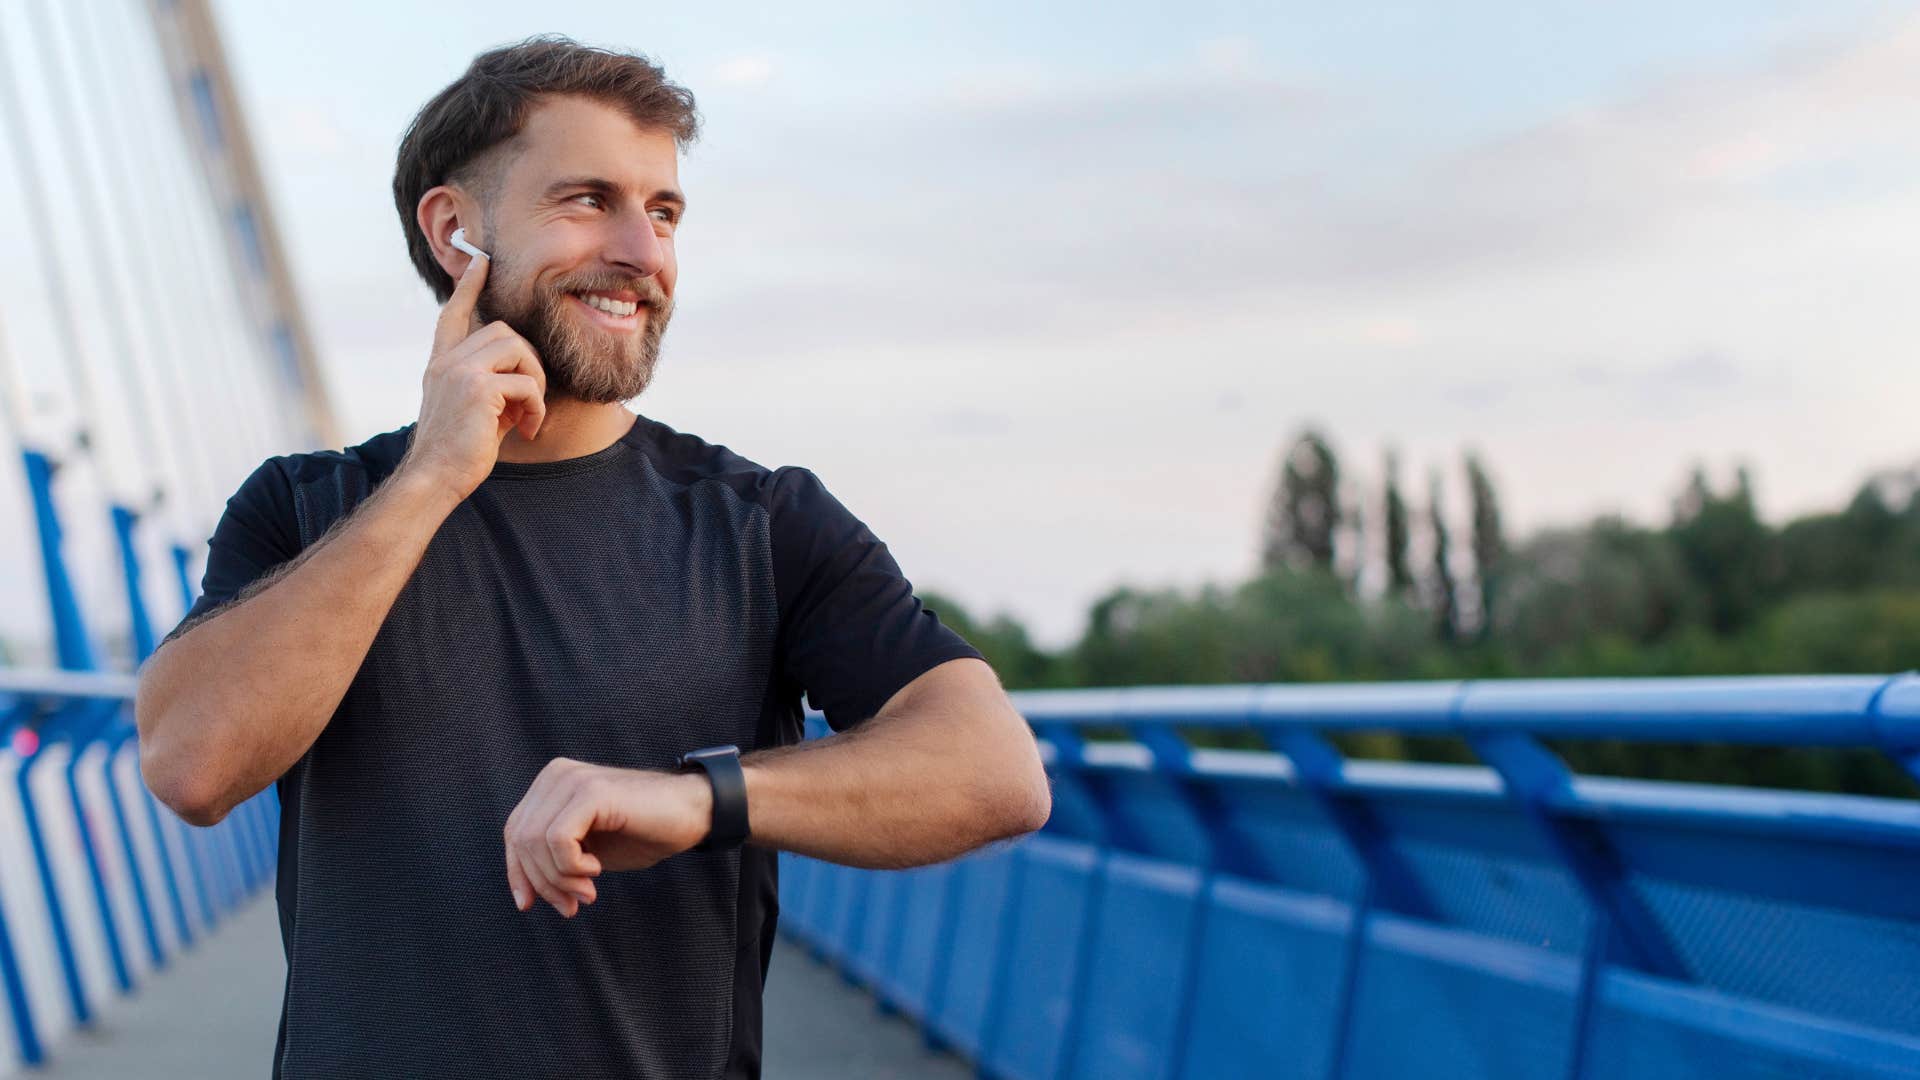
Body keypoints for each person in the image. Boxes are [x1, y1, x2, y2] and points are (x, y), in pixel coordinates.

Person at [133, 34, 1050, 1080]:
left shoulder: (762, 523)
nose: (643, 253)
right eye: (588, 201)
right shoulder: (305, 510)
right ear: (454, 231)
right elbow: (191, 765)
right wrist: (432, 478)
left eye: (662, 213)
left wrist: (702, 800)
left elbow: (996, 770)